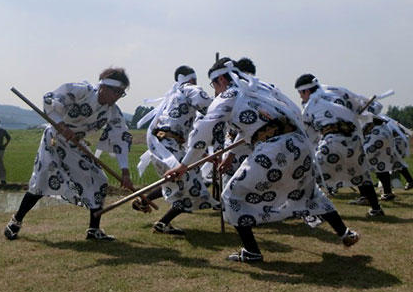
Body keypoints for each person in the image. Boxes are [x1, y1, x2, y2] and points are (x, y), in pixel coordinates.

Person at [165, 59, 359, 263]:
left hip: (274, 148)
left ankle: (252, 251)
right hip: (298, 145)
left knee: (231, 196)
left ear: (221, 79)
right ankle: (345, 232)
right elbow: (255, 126)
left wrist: (184, 165)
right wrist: (230, 155)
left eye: (214, 85)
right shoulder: (259, 89)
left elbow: (203, 129)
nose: (214, 91)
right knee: (308, 192)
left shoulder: (229, 95)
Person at [3, 68, 134, 242]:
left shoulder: (113, 112)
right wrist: (61, 125)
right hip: (55, 140)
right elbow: (50, 101)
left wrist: (125, 171)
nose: (118, 96)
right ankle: (15, 222)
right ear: (104, 87)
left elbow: (120, 139)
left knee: (98, 179)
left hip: (76, 145)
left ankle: (94, 230)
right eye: (116, 92)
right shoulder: (81, 91)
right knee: (42, 181)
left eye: (121, 93)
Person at [135, 65, 215, 235]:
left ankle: (157, 216)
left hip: (163, 145)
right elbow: (211, 110)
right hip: (169, 145)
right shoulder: (190, 89)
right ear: (192, 79)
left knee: (177, 183)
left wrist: (206, 155)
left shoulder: (173, 96)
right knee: (193, 187)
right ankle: (162, 221)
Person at [295, 74, 384, 217]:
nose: (301, 98)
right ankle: (376, 208)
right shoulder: (339, 93)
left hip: (332, 142)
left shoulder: (310, 107)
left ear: (306, 91)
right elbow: (364, 107)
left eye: (300, 94)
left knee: (311, 174)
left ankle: (310, 211)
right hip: (354, 141)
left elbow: (307, 135)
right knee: (361, 173)